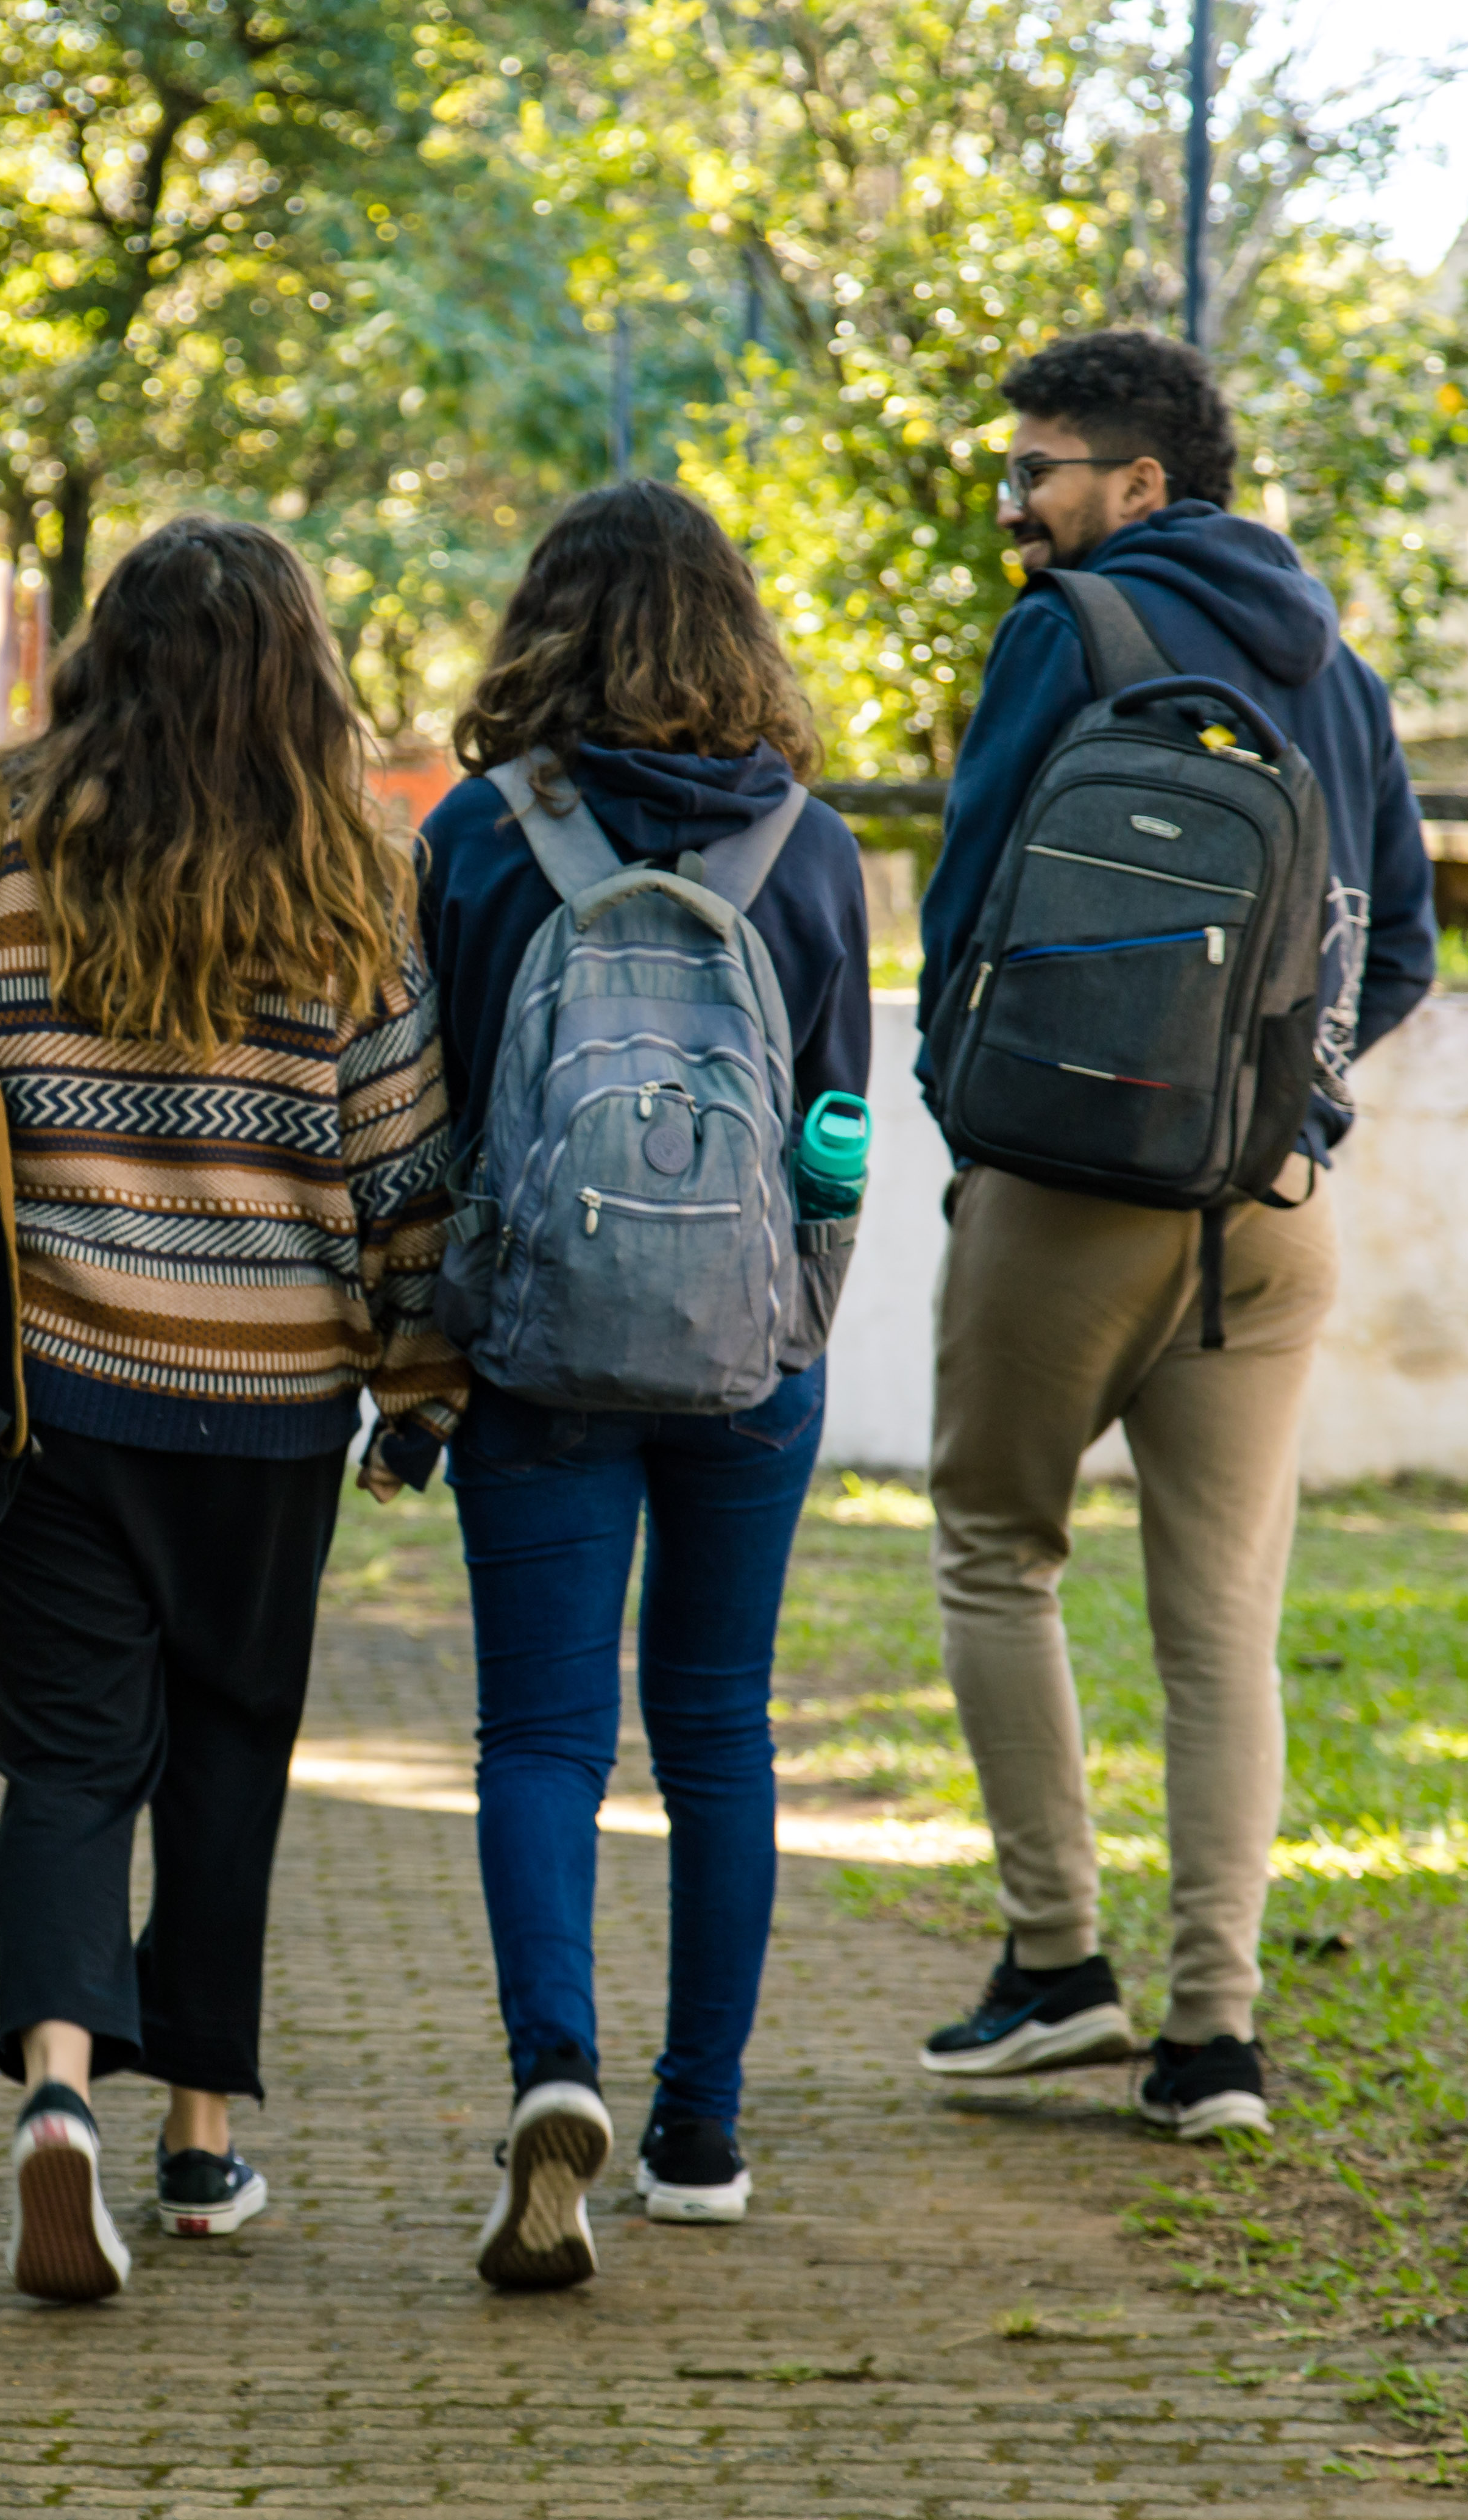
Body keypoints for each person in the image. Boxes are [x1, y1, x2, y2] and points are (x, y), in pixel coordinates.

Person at [0, 515, 465, 2304]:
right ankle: (198, 2145)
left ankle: (54, 2098)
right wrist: (416, 1385)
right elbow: (403, 1153)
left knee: (68, 1764)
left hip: (46, 1397)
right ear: (297, 673)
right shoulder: (357, 862)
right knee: (229, 1758)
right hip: (265, 1409)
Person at [912, 329, 1434, 2140]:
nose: (1011, 503)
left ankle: (1055, 1969)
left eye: (1035, 468)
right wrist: (1275, 1106)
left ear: (1138, 485)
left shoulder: (1068, 635)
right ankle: (1214, 2040)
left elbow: (967, 901)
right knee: (1221, 1626)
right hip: (1271, 1210)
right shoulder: (1341, 670)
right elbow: (1409, 947)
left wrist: (971, 1136)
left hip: (1065, 1190)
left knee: (996, 1541)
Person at [414, 482, 871, 2288]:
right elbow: (831, 1131)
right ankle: (701, 2130)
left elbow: (427, 1113)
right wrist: (795, 1319)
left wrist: (422, 1334)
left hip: (535, 1351)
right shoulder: (810, 849)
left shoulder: (471, 835)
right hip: (747, 1351)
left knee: (539, 1737)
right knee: (719, 1730)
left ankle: (555, 2073)